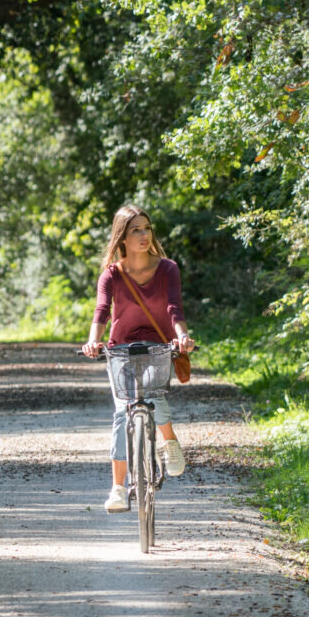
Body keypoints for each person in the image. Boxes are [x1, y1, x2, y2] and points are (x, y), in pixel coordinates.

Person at [80, 203, 195, 513]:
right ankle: (118, 488)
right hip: (120, 349)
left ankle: (169, 442)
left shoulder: (168, 268)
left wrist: (182, 336)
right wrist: (94, 341)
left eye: (147, 229)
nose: (144, 235)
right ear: (122, 238)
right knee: (122, 412)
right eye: (136, 231)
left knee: (155, 396)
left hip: (158, 344)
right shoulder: (111, 275)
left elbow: (174, 309)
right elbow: (101, 312)